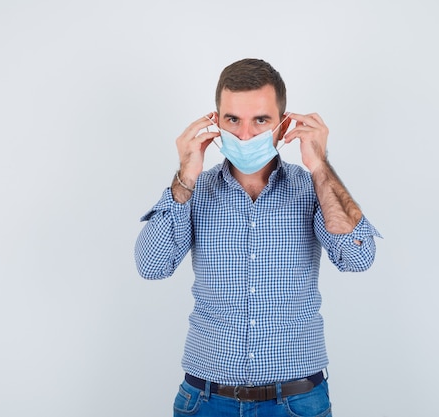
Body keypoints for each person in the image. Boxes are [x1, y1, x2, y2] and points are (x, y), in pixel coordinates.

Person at [134, 58, 381, 417]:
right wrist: (185, 176)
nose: (245, 135)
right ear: (215, 122)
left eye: (260, 120)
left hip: (297, 402)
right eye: (233, 120)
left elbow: (358, 257)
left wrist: (320, 166)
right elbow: (152, 266)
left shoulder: (313, 190)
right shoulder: (194, 191)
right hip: (205, 401)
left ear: (283, 126)